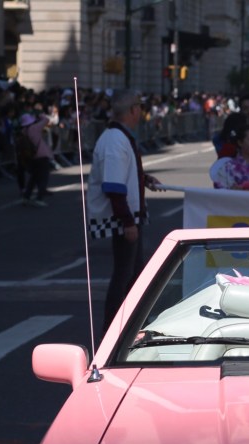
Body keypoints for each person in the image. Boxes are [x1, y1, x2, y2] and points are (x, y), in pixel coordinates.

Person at [87, 90, 161, 329]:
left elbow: (122, 175)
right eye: (139, 107)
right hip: (122, 217)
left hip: (128, 214)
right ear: (133, 110)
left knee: (133, 272)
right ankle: (114, 327)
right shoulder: (115, 140)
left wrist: (142, 178)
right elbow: (114, 185)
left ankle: (131, 324)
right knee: (124, 274)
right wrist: (127, 222)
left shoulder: (118, 137)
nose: (140, 111)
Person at [18, 112, 53, 207]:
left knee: (34, 177)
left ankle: (26, 197)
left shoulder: (23, 131)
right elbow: (46, 120)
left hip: (31, 157)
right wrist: (40, 115)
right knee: (44, 177)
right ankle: (39, 198)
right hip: (41, 155)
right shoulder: (34, 128)